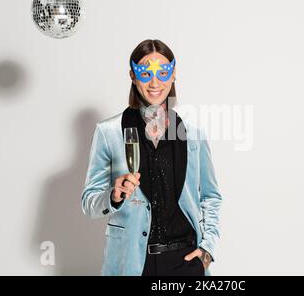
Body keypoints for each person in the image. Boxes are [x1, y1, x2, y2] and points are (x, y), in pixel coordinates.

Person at [81, 39, 222, 276]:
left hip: (185, 261)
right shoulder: (109, 132)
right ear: (133, 76)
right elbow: (89, 203)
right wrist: (113, 196)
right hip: (132, 262)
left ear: (173, 75)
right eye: (145, 73)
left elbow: (211, 196)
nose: (155, 82)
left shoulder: (194, 134)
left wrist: (207, 249)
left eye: (162, 73)